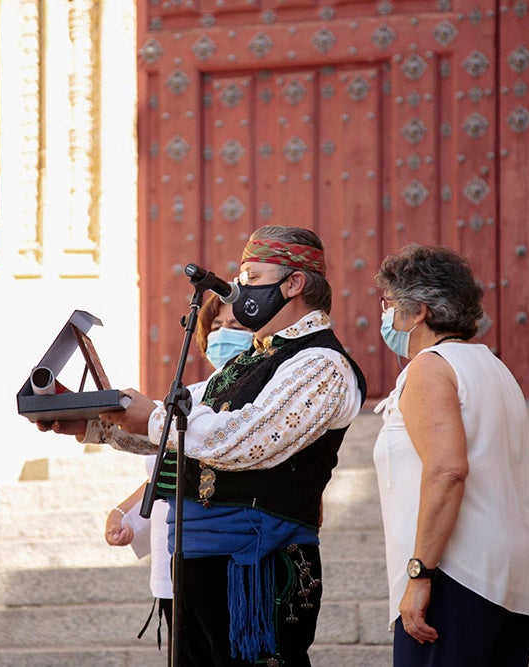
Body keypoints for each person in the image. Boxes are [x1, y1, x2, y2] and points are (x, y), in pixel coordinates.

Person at [38, 225, 367, 666]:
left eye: (252, 276)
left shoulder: (321, 362)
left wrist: (151, 417)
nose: (239, 288)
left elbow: (245, 439)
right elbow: (182, 429)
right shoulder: (253, 358)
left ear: (294, 283)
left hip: (258, 563)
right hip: (198, 555)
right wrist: (90, 422)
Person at [372, 244, 529, 666]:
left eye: (390, 304)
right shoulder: (494, 368)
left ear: (418, 312)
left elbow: (448, 469)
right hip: (510, 576)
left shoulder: (429, 366)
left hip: (455, 574)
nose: (386, 315)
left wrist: (420, 574)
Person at [103, 295, 253, 645]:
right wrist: (122, 513)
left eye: (235, 327)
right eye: (216, 327)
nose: (222, 335)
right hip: (172, 558)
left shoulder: (258, 397)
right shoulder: (192, 394)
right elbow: (168, 471)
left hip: (219, 556)